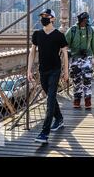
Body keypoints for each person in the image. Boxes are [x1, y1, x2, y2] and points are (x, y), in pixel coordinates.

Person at [27, 9, 69, 144]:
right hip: (42, 71)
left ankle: (44, 133)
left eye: (46, 16)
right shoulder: (37, 34)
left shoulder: (59, 35)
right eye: (42, 16)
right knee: (50, 97)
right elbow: (32, 52)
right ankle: (59, 118)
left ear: (53, 19)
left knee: (50, 99)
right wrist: (29, 70)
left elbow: (65, 54)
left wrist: (66, 71)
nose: (43, 18)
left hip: (55, 70)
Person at [65, 12, 94, 110]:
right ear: (80, 20)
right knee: (76, 80)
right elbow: (64, 44)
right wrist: (67, 52)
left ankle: (88, 100)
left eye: (87, 20)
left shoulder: (90, 30)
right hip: (75, 59)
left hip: (87, 59)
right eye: (84, 20)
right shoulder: (72, 30)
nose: (86, 22)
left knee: (87, 80)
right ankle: (77, 100)